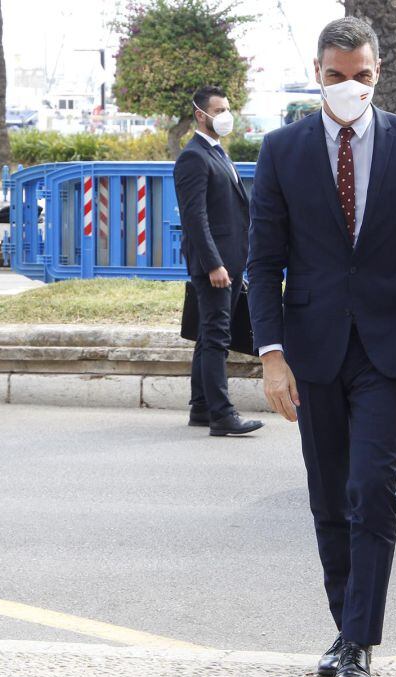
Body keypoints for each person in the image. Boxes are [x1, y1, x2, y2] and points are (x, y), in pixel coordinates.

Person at [248, 17, 396, 677]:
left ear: (379, 74)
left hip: (387, 350)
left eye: (363, 76)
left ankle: (360, 645)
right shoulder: (282, 149)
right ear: (318, 72)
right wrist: (271, 354)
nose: (350, 87)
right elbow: (264, 261)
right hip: (312, 350)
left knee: (372, 489)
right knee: (327, 495)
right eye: (337, 76)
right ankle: (347, 627)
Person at [173, 86, 262, 437]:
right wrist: (213, 264)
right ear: (200, 114)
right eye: (219, 109)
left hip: (229, 259)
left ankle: (200, 406)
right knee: (216, 336)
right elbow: (194, 217)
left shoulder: (216, 152)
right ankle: (222, 415)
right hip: (214, 264)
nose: (226, 115)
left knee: (207, 332)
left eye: (227, 108)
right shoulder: (193, 156)